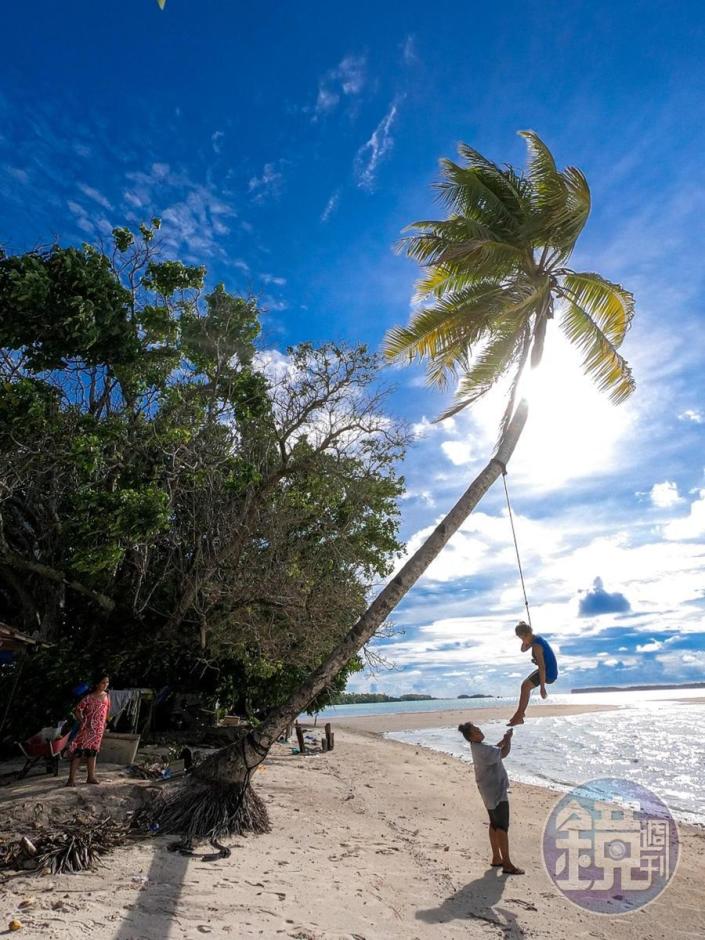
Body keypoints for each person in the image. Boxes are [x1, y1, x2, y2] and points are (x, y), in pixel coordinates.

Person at [458, 721, 523, 875]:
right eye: (476, 730)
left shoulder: (478, 747)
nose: (480, 731)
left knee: (494, 823)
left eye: (478, 728)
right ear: (472, 737)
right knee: (502, 826)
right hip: (495, 790)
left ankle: (496, 857)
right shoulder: (481, 749)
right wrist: (509, 739)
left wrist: (503, 739)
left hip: (487, 790)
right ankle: (507, 863)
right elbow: (503, 753)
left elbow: (494, 749)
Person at [507, 621, 558, 726]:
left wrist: (542, 688)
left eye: (521, 638)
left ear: (527, 634)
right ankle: (519, 715)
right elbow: (523, 649)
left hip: (548, 673)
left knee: (525, 686)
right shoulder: (534, 639)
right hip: (549, 671)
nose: (521, 640)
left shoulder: (536, 646)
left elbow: (542, 667)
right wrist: (525, 641)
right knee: (525, 686)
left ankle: (519, 716)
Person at [65, 674, 110, 786]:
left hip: (98, 730)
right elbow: (77, 710)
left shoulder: (107, 696)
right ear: (97, 684)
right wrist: (83, 721)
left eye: (107, 682)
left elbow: (107, 711)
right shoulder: (89, 698)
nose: (105, 685)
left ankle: (91, 777)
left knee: (93, 753)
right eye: (103, 682)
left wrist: (104, 724)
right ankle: (71, 780)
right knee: (78, 753)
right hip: (86, 729)